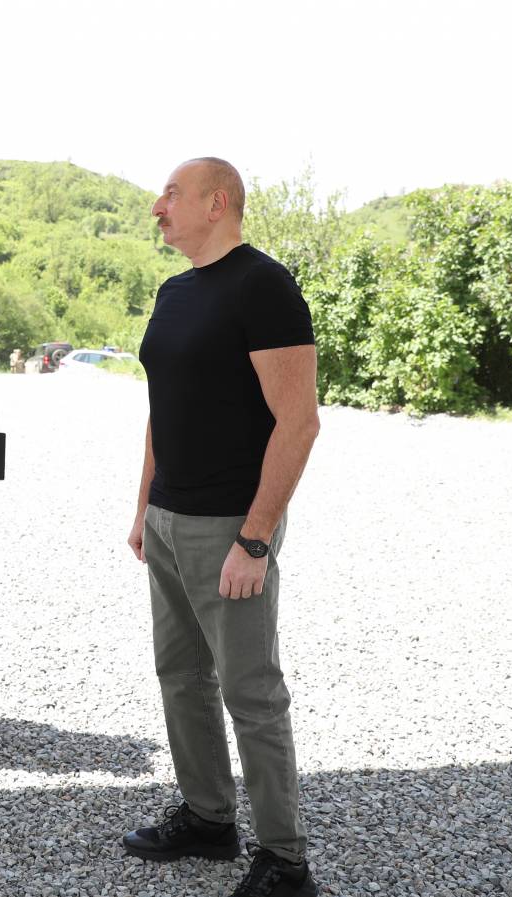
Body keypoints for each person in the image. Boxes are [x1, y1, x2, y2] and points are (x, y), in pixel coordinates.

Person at [123, 158, 321, 897]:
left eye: (171, 194)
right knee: (180, 676)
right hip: (168, 518)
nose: (157, 206)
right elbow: (161, 408)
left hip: (230, 526)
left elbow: (298, 423)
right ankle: (209, 819)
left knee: (252, 693)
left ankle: (286, 861)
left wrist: (255, 538)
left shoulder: (263, 286)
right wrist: (144, 506)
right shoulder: (174, 292)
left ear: (217, 203)